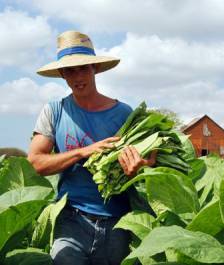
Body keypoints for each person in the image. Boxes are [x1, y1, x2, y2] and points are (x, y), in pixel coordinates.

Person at [28, 30, 156, 265]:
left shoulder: (124, 114)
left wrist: (138, 168)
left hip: (118, 223)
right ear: (62, 74)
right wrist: (83, 151)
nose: (77, 76)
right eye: (70, 70)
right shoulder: (55, 111)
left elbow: (151, 160)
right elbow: (36, 162)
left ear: (95, 69)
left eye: (83, 68)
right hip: (72, 220)